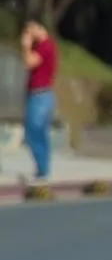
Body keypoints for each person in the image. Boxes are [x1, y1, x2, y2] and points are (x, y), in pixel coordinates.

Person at [20, 13, 58, 182]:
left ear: (38, 28)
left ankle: (43, 169)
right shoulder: (43, 46)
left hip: (40, 95)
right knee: (40, 133)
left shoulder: (46, 46)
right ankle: (43, 169)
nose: (28, 33)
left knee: (33, 132)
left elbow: (29, 62)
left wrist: (26, 47)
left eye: (30, 29)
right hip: (41, 94)